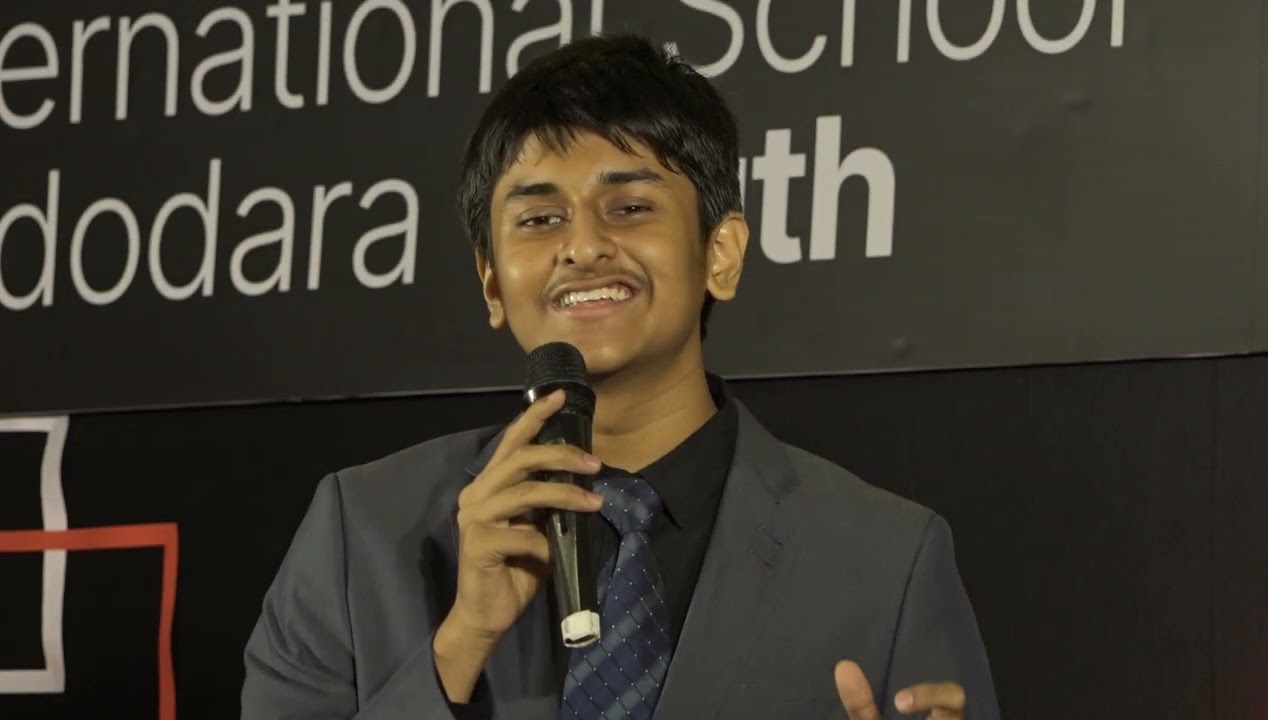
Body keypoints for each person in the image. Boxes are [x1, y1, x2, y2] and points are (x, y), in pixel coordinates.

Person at [241, 33, 999, 720]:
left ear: (721, 254)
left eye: (630, 206)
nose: (583, 246)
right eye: (540, 220)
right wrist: (459, 645)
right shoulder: (359, 537)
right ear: (492, 285)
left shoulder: (888, 563)